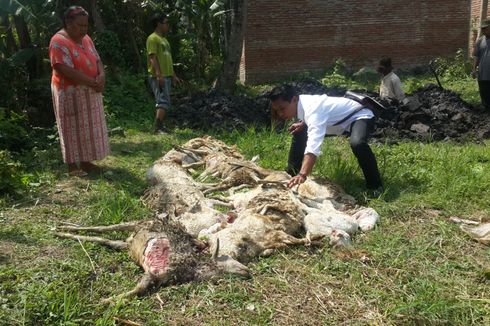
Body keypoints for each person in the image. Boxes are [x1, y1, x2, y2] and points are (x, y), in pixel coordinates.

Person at [269, 85, 384, 196]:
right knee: (300, 131)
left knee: (357, 143)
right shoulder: (302, 102)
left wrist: (303, 174)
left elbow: (313, 145)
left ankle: (375, 186)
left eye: (282, 109)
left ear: (294, 100)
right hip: (338, 122)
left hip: (359, 115)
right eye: (277, 110)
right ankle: (291, 173)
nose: (280, 114)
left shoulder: (312, 110)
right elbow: (317, 116)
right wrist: (303, 123)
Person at [49, 6, 110, 177]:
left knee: (87, 129)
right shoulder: (58, 42)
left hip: (89, 91)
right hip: (69, 93)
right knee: (70, 127)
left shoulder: (86, 38)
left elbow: (97, 59)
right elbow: (63, 68)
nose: (84, 29)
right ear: (68, 23)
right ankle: (72, 166)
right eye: (80, 25)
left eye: (86, 25)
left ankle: (85, 161)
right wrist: (92, 82)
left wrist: (102, 76)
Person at [146, 13, 181, 133]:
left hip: (167, 75)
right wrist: (158, 74)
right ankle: (157, 128)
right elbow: (152, 57)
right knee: (162, 101)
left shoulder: (164, 40)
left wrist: (173, 75)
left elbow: (168, 58)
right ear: (158, 24)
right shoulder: (152, 38)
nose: (167, 25)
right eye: (165, 23)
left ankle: (160, 126)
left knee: (165, 101)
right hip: (158, 76)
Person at [472, 18, 490, 110]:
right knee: (484, 93)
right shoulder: (480, 41)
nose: (483, 30)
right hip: (483, 73)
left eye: (485, 28)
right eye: (482, 28)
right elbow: (476, 56)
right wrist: (474, 69)